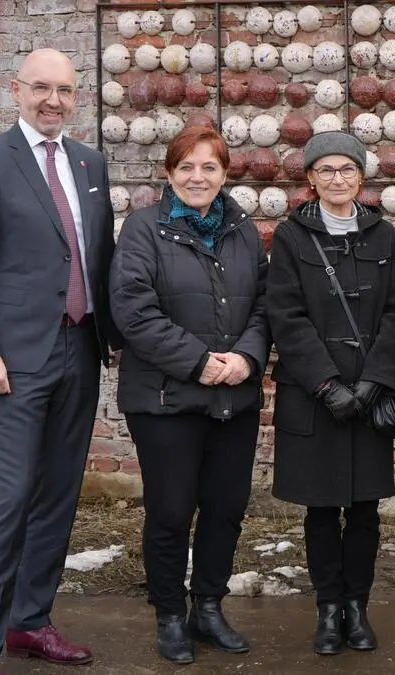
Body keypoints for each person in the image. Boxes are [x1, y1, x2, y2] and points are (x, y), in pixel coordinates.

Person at [0, 48, 120, 675]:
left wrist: (117, 335)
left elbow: (98, 257)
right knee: (12, 495)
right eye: (41, 88)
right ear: (16, 90)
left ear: (77, 96)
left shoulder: (90, 163)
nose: (54, 100)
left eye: (65, 90)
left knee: (59, 493)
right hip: (14, 359)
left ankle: (30, 621)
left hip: (81, 346)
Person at [108, 125, 270, 664]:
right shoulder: (142, 229)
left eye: (209, 167)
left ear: (225, 174)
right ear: (169, 172)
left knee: (226, 508)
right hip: (164, 400)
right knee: (172, 510)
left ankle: (208, 607)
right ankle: (170, 615)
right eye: (186, 167)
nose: (197, 177)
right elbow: (134, 311)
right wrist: (199, 363)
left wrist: (246, 358)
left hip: (234, 396)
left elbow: (265, 305)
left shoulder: (242, 230)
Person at [266, 131, 395, 656]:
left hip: (371, 395)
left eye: (347, 169)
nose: (337, 179)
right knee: (323, 509)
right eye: (326, 170)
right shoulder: (291, 237)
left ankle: (358, 606)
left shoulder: (383, 236)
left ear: (361, 176)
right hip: (315, 396)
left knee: (366, 509)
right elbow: (285, 315)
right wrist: (327, 384)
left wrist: (373, 382)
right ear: (311, 178)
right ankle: (328, 609)